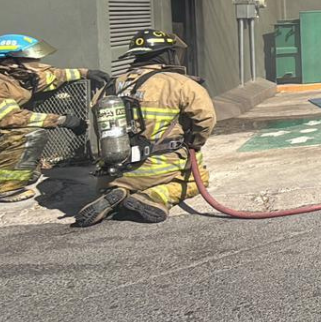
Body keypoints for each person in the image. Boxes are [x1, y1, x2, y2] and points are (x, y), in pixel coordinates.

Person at [75, 30, 216, 226]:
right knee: (197, 179)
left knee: (119, 183)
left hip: (113, 172)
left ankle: (117, 192)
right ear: (167, 54)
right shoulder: (181, 84)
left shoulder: (110, 86)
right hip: (160, 170)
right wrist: (195, 143)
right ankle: (155, 195)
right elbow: (206, 119)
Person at [0, 34, 106, 203]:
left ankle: (19, 173)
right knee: (29, 134)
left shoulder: (18, 77)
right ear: (9, 62)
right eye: (31, 59)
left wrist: (86, 73)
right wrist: (61, 120)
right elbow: (11, 118)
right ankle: (6, 187)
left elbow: (54, 76)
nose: (37, 62)